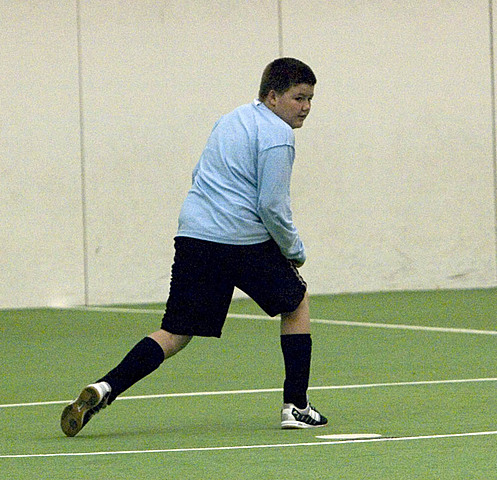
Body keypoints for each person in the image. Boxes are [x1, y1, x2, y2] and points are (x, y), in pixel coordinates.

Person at [61, 58, 327, 436]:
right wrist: (294, 248)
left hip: (194, 237)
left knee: (174, 332)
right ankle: (296, 406)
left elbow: (200, 174)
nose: (306, 108)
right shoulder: (278, 136)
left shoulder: (231, 119)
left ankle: (105, 387)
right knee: (295, 302)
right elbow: (271, 205)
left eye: (310, 99)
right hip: (241, 240)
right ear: (272, 96)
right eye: (299, 98)